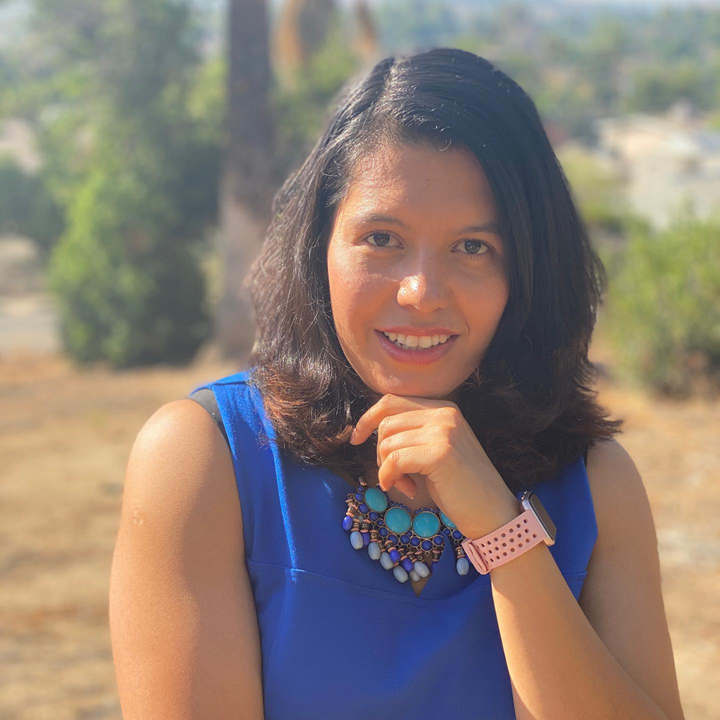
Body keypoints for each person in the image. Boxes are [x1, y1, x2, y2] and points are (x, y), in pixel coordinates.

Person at [109, 48, 685, 719]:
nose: (421, 293)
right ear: (320, 245)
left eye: (473, 247)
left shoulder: (597, 485)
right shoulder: (207, 460)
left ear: (527, 272)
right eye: (382, 238)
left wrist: (503, 532)